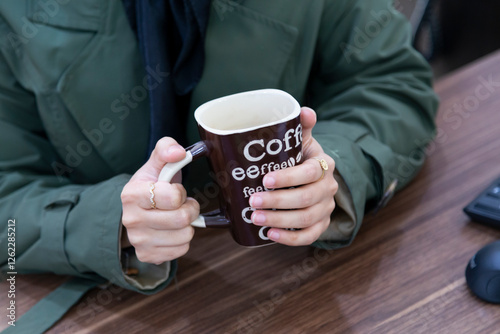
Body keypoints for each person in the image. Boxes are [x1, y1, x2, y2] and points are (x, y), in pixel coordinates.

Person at [0, 0, 438, 330]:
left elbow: (393, 83)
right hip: (108, 304)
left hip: (299, 287)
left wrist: (334, 173)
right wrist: (108, 222)